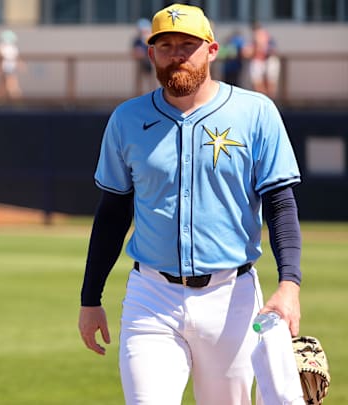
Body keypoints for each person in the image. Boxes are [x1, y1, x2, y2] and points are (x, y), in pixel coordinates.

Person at [78, 4, 302, 405]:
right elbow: (112, 213)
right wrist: (90, 297)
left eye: (188, 44)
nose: (177, 54)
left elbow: (280, 204)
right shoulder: (127, 119)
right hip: (151, 298)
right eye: (165, 45)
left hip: (231, 297)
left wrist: (289, 284)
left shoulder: (256, 113)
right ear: (151, 54)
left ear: (212, 50)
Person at [245, 21, 280, 98]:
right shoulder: (253, 39)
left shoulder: (268, 38)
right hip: (258, 61)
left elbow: (272, 50)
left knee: (270, 85)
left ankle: (268, 101)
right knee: (258, 84)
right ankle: (262, 99)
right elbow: (247, 52)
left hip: (268, 60)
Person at [0, 29, 22, 102]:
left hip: (10, 67)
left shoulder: (12, 48)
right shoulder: (3, 47)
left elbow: (16, 58)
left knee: (11, 82)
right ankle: (1, 98)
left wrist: (20, 64)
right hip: (5, 67)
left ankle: (13, 98)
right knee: (4, 82)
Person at [131, 18, 155, 96]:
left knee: (151, 82)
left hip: (150, 63)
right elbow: (135, 52)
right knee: (139, 82)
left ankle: (152, 96)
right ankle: (138, 96)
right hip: (140, 63)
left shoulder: (150, 40)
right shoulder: (137, 40)